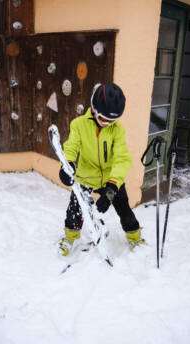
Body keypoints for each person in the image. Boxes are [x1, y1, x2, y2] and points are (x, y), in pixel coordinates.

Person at [58, 82, 144, 256]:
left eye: (111, 120)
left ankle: (135, 237)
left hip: (111, 179)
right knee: (74, 209)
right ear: (93, 109)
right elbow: (71, 146)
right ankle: (70, 236)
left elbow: (122, 159)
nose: (107, 123)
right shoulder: (79, 125)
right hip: (85, 177)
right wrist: (67, 165)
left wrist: (112, 189)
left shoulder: (117, 130)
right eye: (103, 118)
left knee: (124, 209)